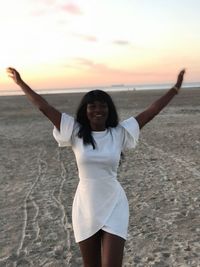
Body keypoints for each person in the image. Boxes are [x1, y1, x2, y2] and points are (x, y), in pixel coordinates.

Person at [7, 67, 185, 267]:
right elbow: (44, 107)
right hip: (85, 207)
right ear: (85, 110)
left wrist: (175, 88)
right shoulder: (75, 131)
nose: (98, 110)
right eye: (92, 106)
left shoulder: (119, 133)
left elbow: (152, 111)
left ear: (109, 110)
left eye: (102, 106)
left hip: (114, 204)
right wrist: (20, 83)